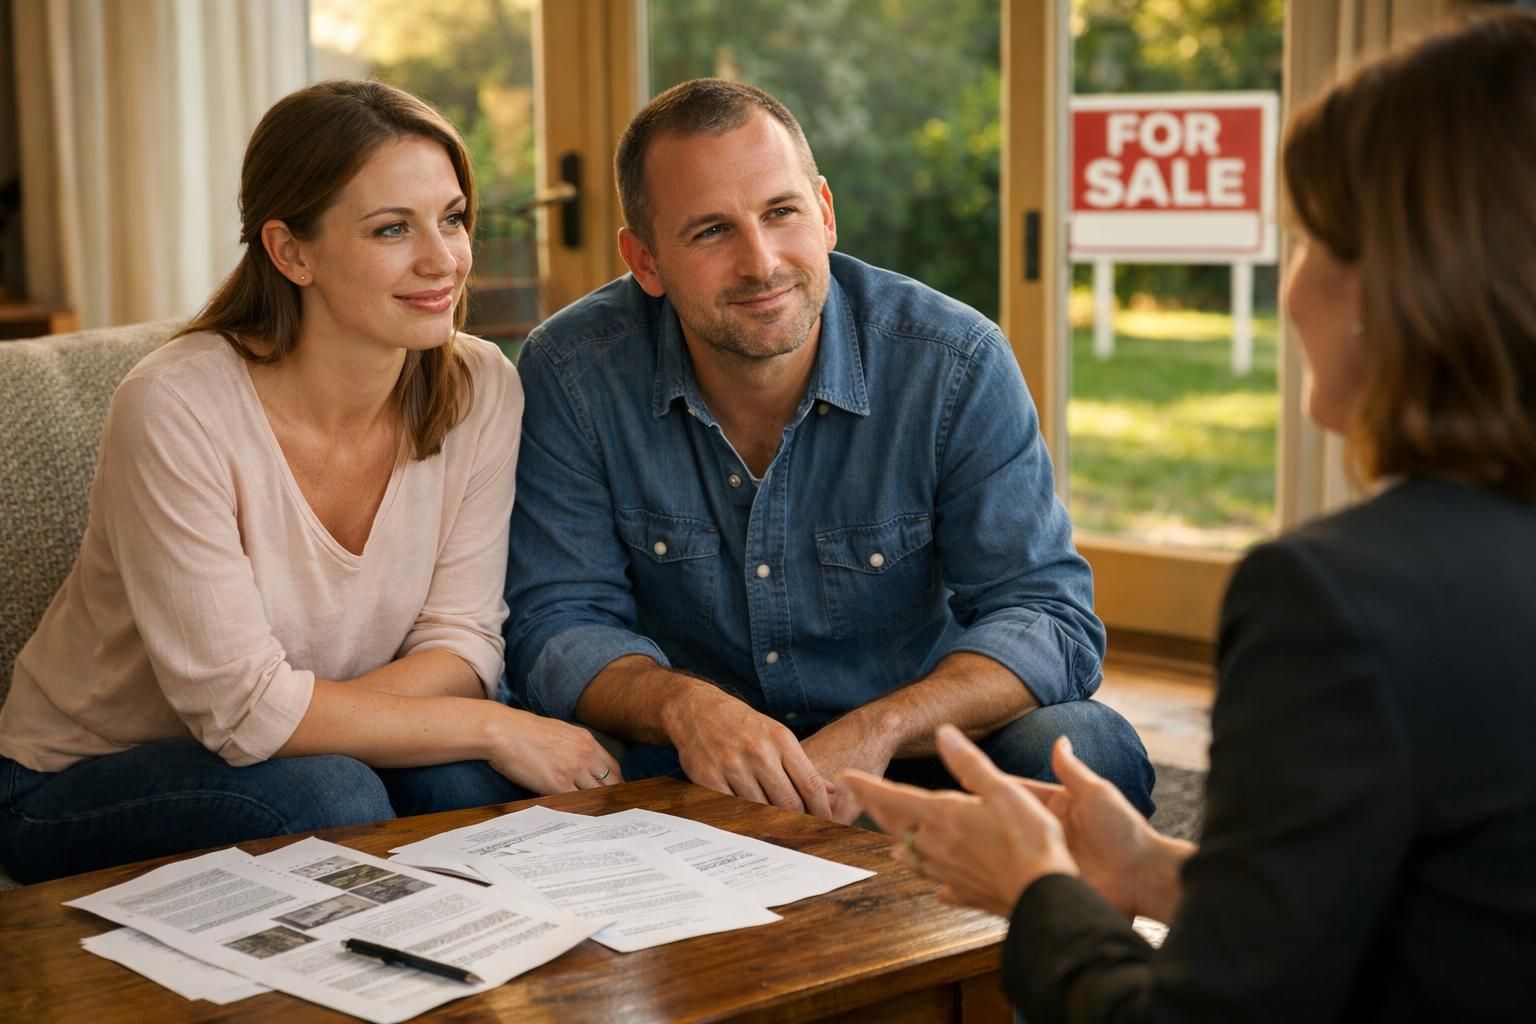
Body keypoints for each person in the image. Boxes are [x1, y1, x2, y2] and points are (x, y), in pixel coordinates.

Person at [843, 13, 1536, 1021]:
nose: (1293, 284)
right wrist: (1155, 870)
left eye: (1309, 239)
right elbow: (1457, 904)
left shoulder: (1336, 603)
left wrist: (1040, 891)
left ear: (1395, 283)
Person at [0, 80, 620, 885]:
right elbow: (240, 710)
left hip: (288, 745)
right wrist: (490, 726)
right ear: (291, 251)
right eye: (392, 229)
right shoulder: (175, 406)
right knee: (332, 791)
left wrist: (338, 717)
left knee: (460, 782)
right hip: (75, 780)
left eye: (453, 218)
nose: (443, 260)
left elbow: (462, 641)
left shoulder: (480, 386)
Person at [502, 78, 1153, 824]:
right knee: (492, 770)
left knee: (1084, 747)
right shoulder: (573, 369)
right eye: (711, 231)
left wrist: (880, 729)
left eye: (782, 213)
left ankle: (1060, 948)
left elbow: (1049, 617)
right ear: (644, 260)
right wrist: (684, 707)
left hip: (910, 758)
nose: (761, 262)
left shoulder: (953, 361)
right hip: (684, 758)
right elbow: (556, 621)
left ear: (826, 212)